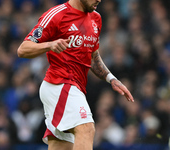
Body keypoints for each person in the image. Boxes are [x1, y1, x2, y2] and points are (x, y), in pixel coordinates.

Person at [17, 0, 134, 149]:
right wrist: (49, 44)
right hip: (59, 84)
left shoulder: (96, 18)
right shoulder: (57, 15)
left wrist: (111, 78)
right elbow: (23, 49)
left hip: (74, 87)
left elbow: (92, 56)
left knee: (62, 145)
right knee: (86, 128)